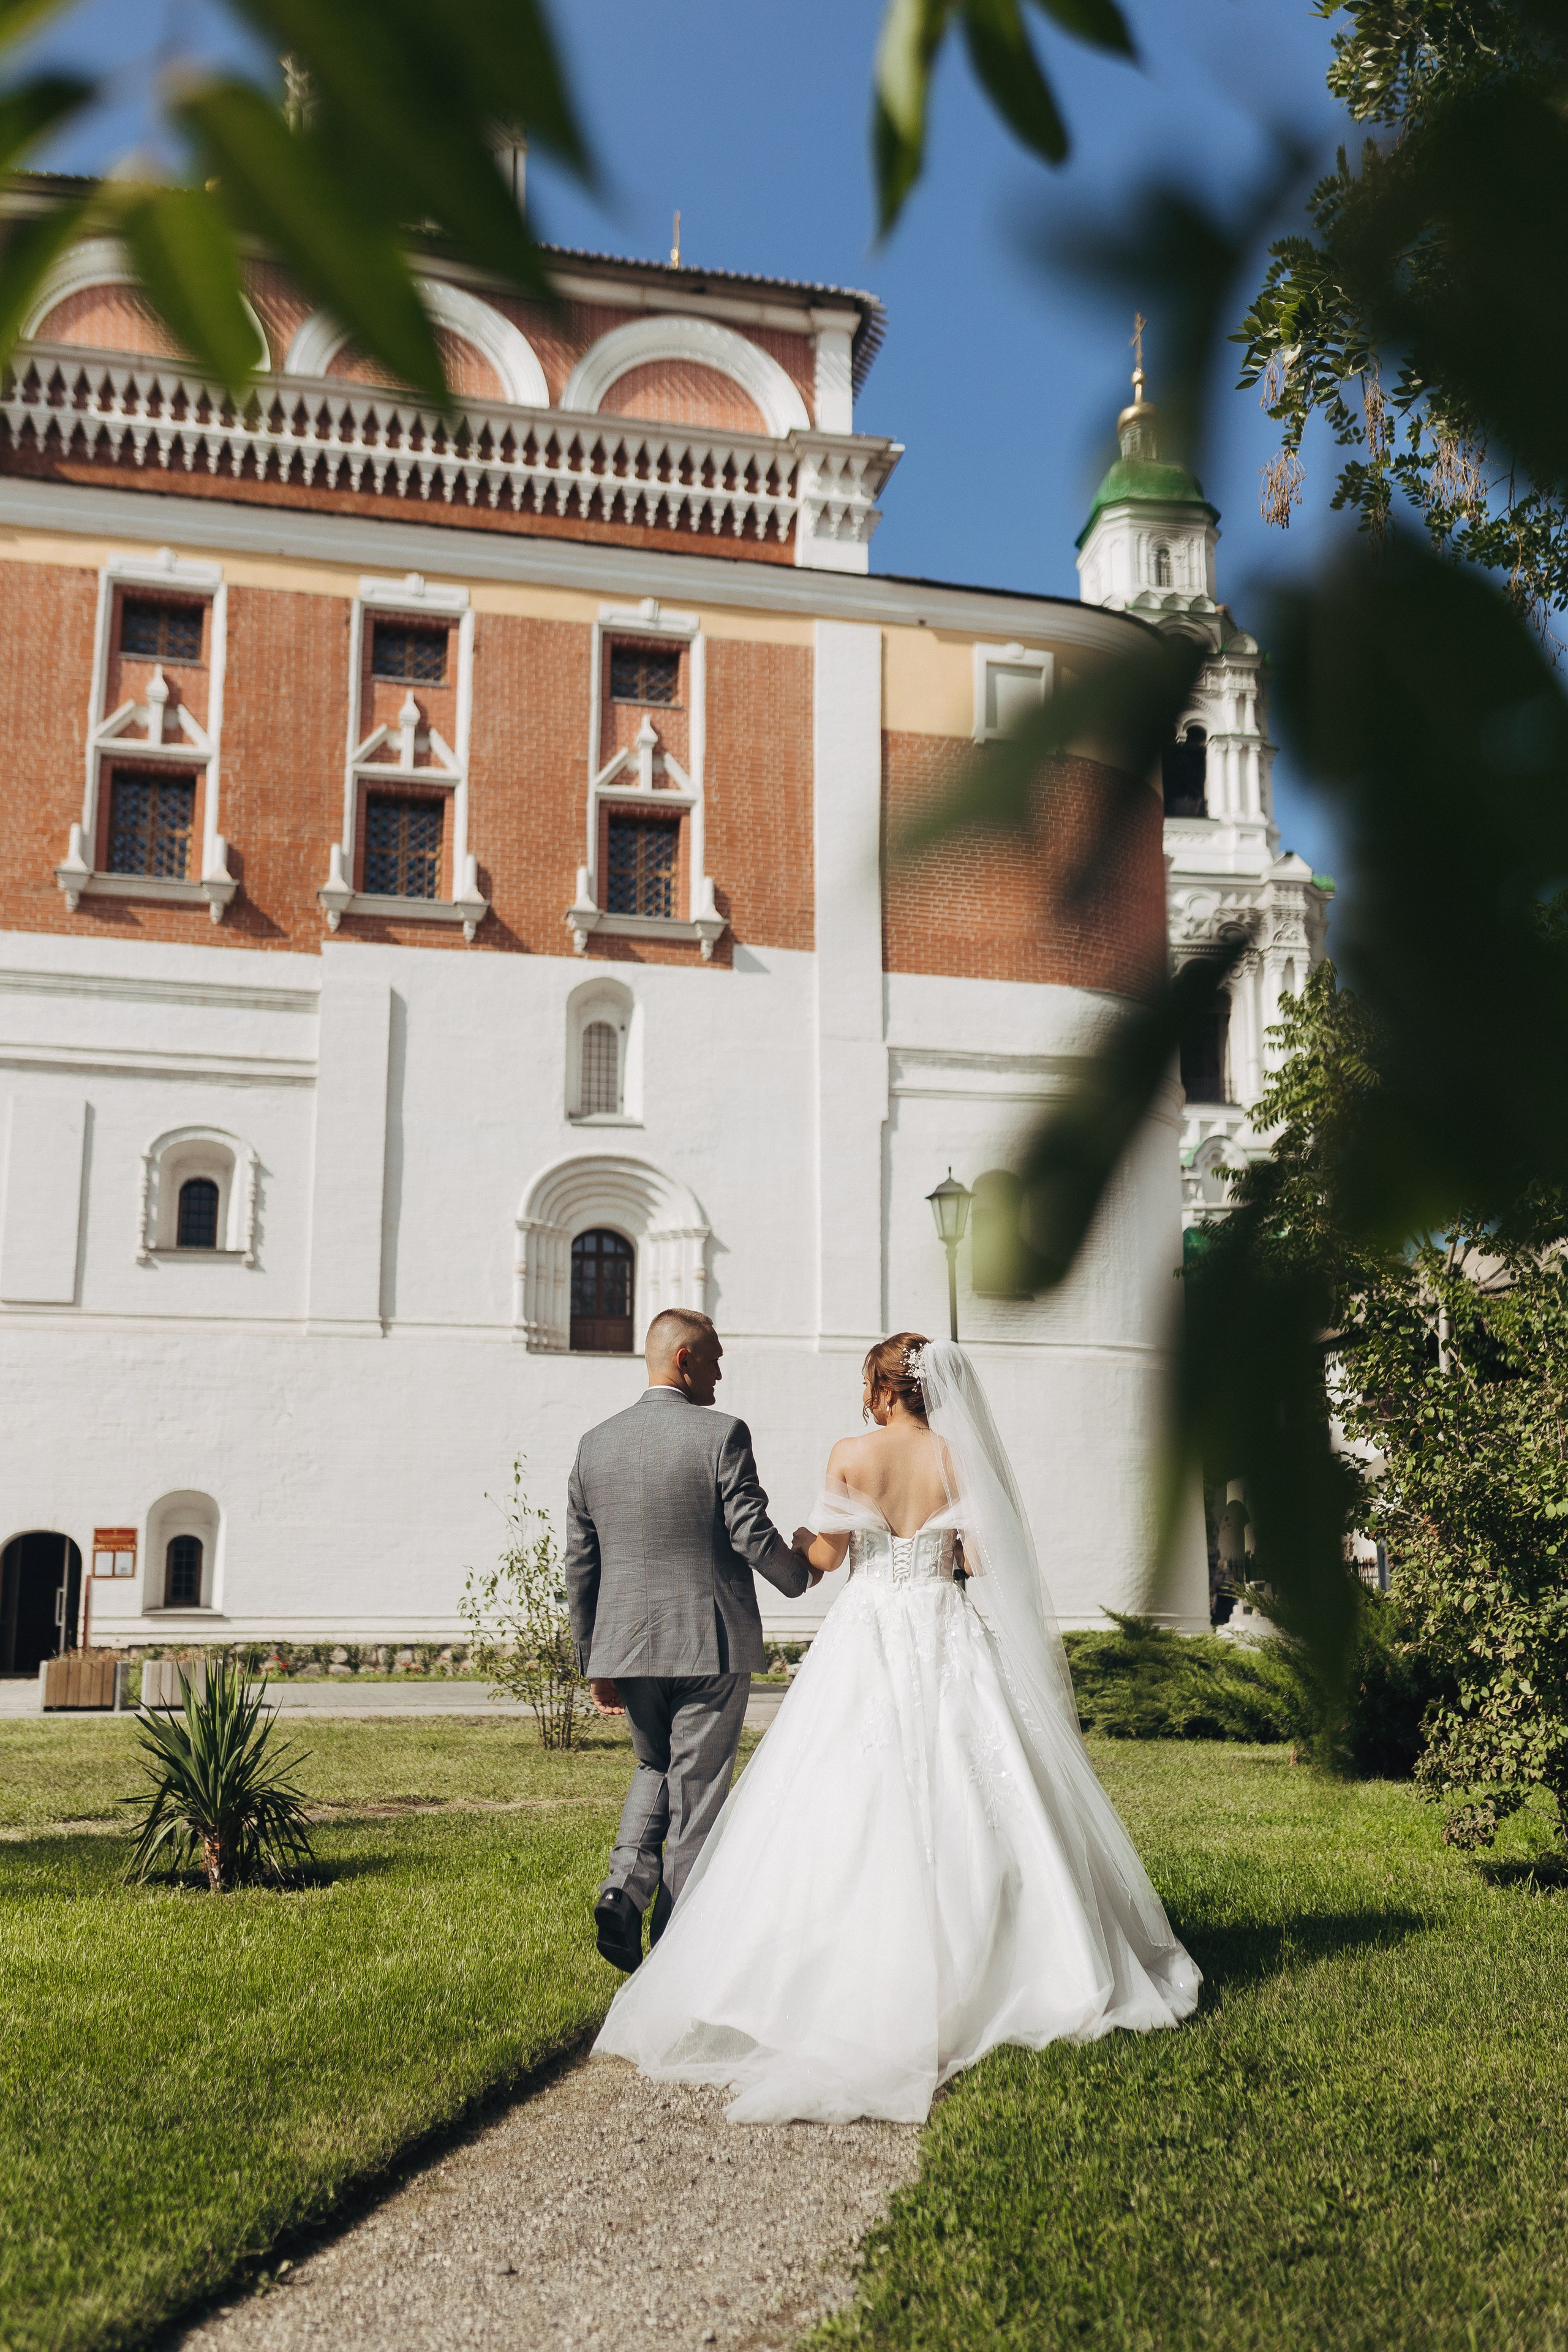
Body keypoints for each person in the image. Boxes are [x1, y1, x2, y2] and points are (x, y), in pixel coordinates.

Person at [592, 1331, 1200, 2123]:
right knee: (981, 1787)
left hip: (869, 1630)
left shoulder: (851, 1454)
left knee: (842, 1795)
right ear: (929, 1389)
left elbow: (818, 1558)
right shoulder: (959, 1458)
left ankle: (835, 1974)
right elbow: (982, 1563)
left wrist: (772, 1545)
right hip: (945, 1626)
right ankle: (1004, 1964)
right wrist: (942, 1548)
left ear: (881, 1391)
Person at [564, 1306, 816, 1974]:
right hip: (710, 1643)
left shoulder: (595, 1444)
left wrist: (594, 1658)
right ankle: (675, 1954)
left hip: (627, 1645)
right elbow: (749, 1533)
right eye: (714, 1358)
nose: (721, 1372)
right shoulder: (722, 1434)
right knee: (698, 1792)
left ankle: (622, 1890)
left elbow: (579, 1564)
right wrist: (801, 1574)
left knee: (654, 1770)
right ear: (684, 1360)